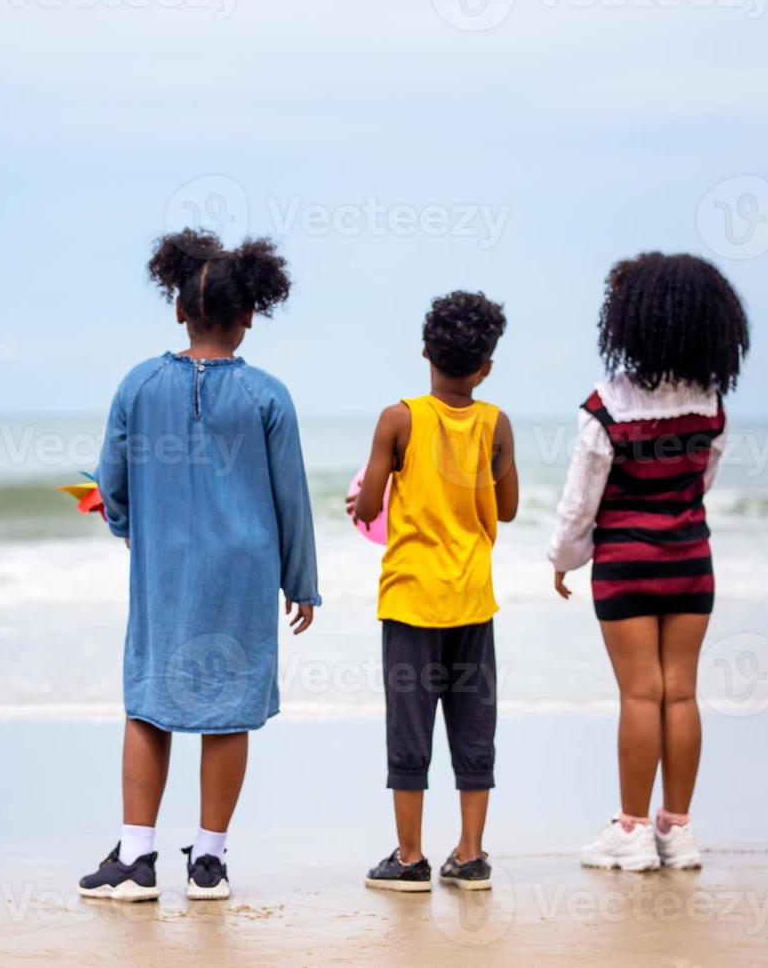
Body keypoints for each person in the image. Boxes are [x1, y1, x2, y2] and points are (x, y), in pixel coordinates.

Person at [77, 229, 320, 902]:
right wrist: (302, 582)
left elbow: (110, 479)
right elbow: (290, 497)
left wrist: (127, 526)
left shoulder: (140, 383)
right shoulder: (269, 396)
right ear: (250, 317)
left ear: (179, 311)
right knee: (229, 709)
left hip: (165, 570)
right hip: (245, 572)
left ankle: (135, 857)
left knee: (149, 703)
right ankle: (209, 862)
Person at [549, 251, 750, 871]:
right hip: (691, 559)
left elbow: (582, 500)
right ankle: (679, 831)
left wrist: (564, 558)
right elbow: (704, 479)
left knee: (640, 695)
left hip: (627, 564)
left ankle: (632, 830)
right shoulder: (712, 401)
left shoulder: (606, 403)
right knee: (681, 695)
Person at [349, 290, 517, 892]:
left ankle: (410, 857)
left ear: (424, 351)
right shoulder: (496, 423)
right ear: (487, 365)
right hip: (472, 598)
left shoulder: (398, 419)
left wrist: (371, 495)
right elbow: (510, 507)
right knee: (475, 724)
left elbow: (368, 506)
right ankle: (470, 856)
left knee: (410, 725)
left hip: (411, 600)